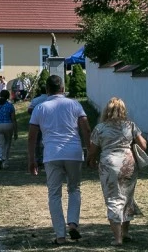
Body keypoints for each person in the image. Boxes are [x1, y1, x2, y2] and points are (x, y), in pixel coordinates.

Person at [28, 75, 91, 246]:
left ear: (47, 90)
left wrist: (32, 158)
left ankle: (60, 235)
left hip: (52, 153)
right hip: (74, 152)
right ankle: (72, 222)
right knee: (74, 189)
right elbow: (85, 128)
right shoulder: (75, 104)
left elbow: (32, 136)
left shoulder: (40, 108)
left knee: (54, 194)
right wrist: (91, 151)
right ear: (63, 88)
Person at [88, 97, 148, 246]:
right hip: (128, 163)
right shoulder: (130, 126)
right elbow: (143, 145)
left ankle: (118, 238)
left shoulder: (100, 128)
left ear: (107, 111)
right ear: (123, 110)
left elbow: (92, 150)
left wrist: (92, 160)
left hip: (109, 164)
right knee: (127, 197)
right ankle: (125, 233)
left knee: (113, 198)